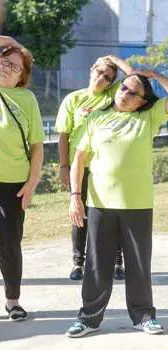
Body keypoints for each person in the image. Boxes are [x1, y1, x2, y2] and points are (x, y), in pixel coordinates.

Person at [66, 71, 168, 337]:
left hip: (137, 204)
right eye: (123, 88)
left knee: (139, 263)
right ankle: (88, 318)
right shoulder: (96, 118)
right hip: (99, 203)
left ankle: (143, 316)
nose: (124, 94)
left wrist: (154, 75)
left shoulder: (148, 118)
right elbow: (79, 160)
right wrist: (76, 197)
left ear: (142, 101)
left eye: (133, 92)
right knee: (97, 263)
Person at [56, 55, 133, 281]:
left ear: (111, 83)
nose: (101, 78)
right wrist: (63, 165)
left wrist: (113, 59)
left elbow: (133, 76)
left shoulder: (112, 96)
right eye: (99, 72)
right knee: (79, 214)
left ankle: (117, 262)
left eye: (107, 77)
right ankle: (78, 262)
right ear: (91, 69)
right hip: (80, 167)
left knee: (111, 215)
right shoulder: (73, 99)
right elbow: (63, 135)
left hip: (107, 167)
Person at [0, 36, 44, 321]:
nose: (8, 68)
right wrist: (13, 41)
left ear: (22, 77)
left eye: (15, 67)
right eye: (4, 61)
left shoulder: (26, 99)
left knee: (9, 243)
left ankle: (13, 301)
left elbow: (38, 145)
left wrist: (31, 183)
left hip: (13, 184)